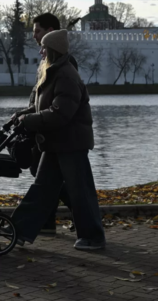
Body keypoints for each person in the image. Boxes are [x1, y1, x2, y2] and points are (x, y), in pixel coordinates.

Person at [12, 29, 105, 250]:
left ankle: (93, 237)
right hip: (56, 143)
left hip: (71, 144)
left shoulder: (65, 75)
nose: (40, 51)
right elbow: (44, 107)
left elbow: (61, 114)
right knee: (42, 188)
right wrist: (23, 115)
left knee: (80, 190)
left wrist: (30, 120)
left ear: (52, 51)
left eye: (44, 47)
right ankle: (18, 230)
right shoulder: (54, 72)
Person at [10, 13, 75, 235]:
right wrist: (25, 113)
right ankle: (48, 222)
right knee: (44, 176)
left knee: (46, 178)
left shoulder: (64, 63)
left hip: (53, 132)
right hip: (42, 127)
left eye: (37, 31)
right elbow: (40, 99)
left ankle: (72, 217)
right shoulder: (48, 60)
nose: (34, 36)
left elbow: (60, 104)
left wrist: (30, 117)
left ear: (50, 32)